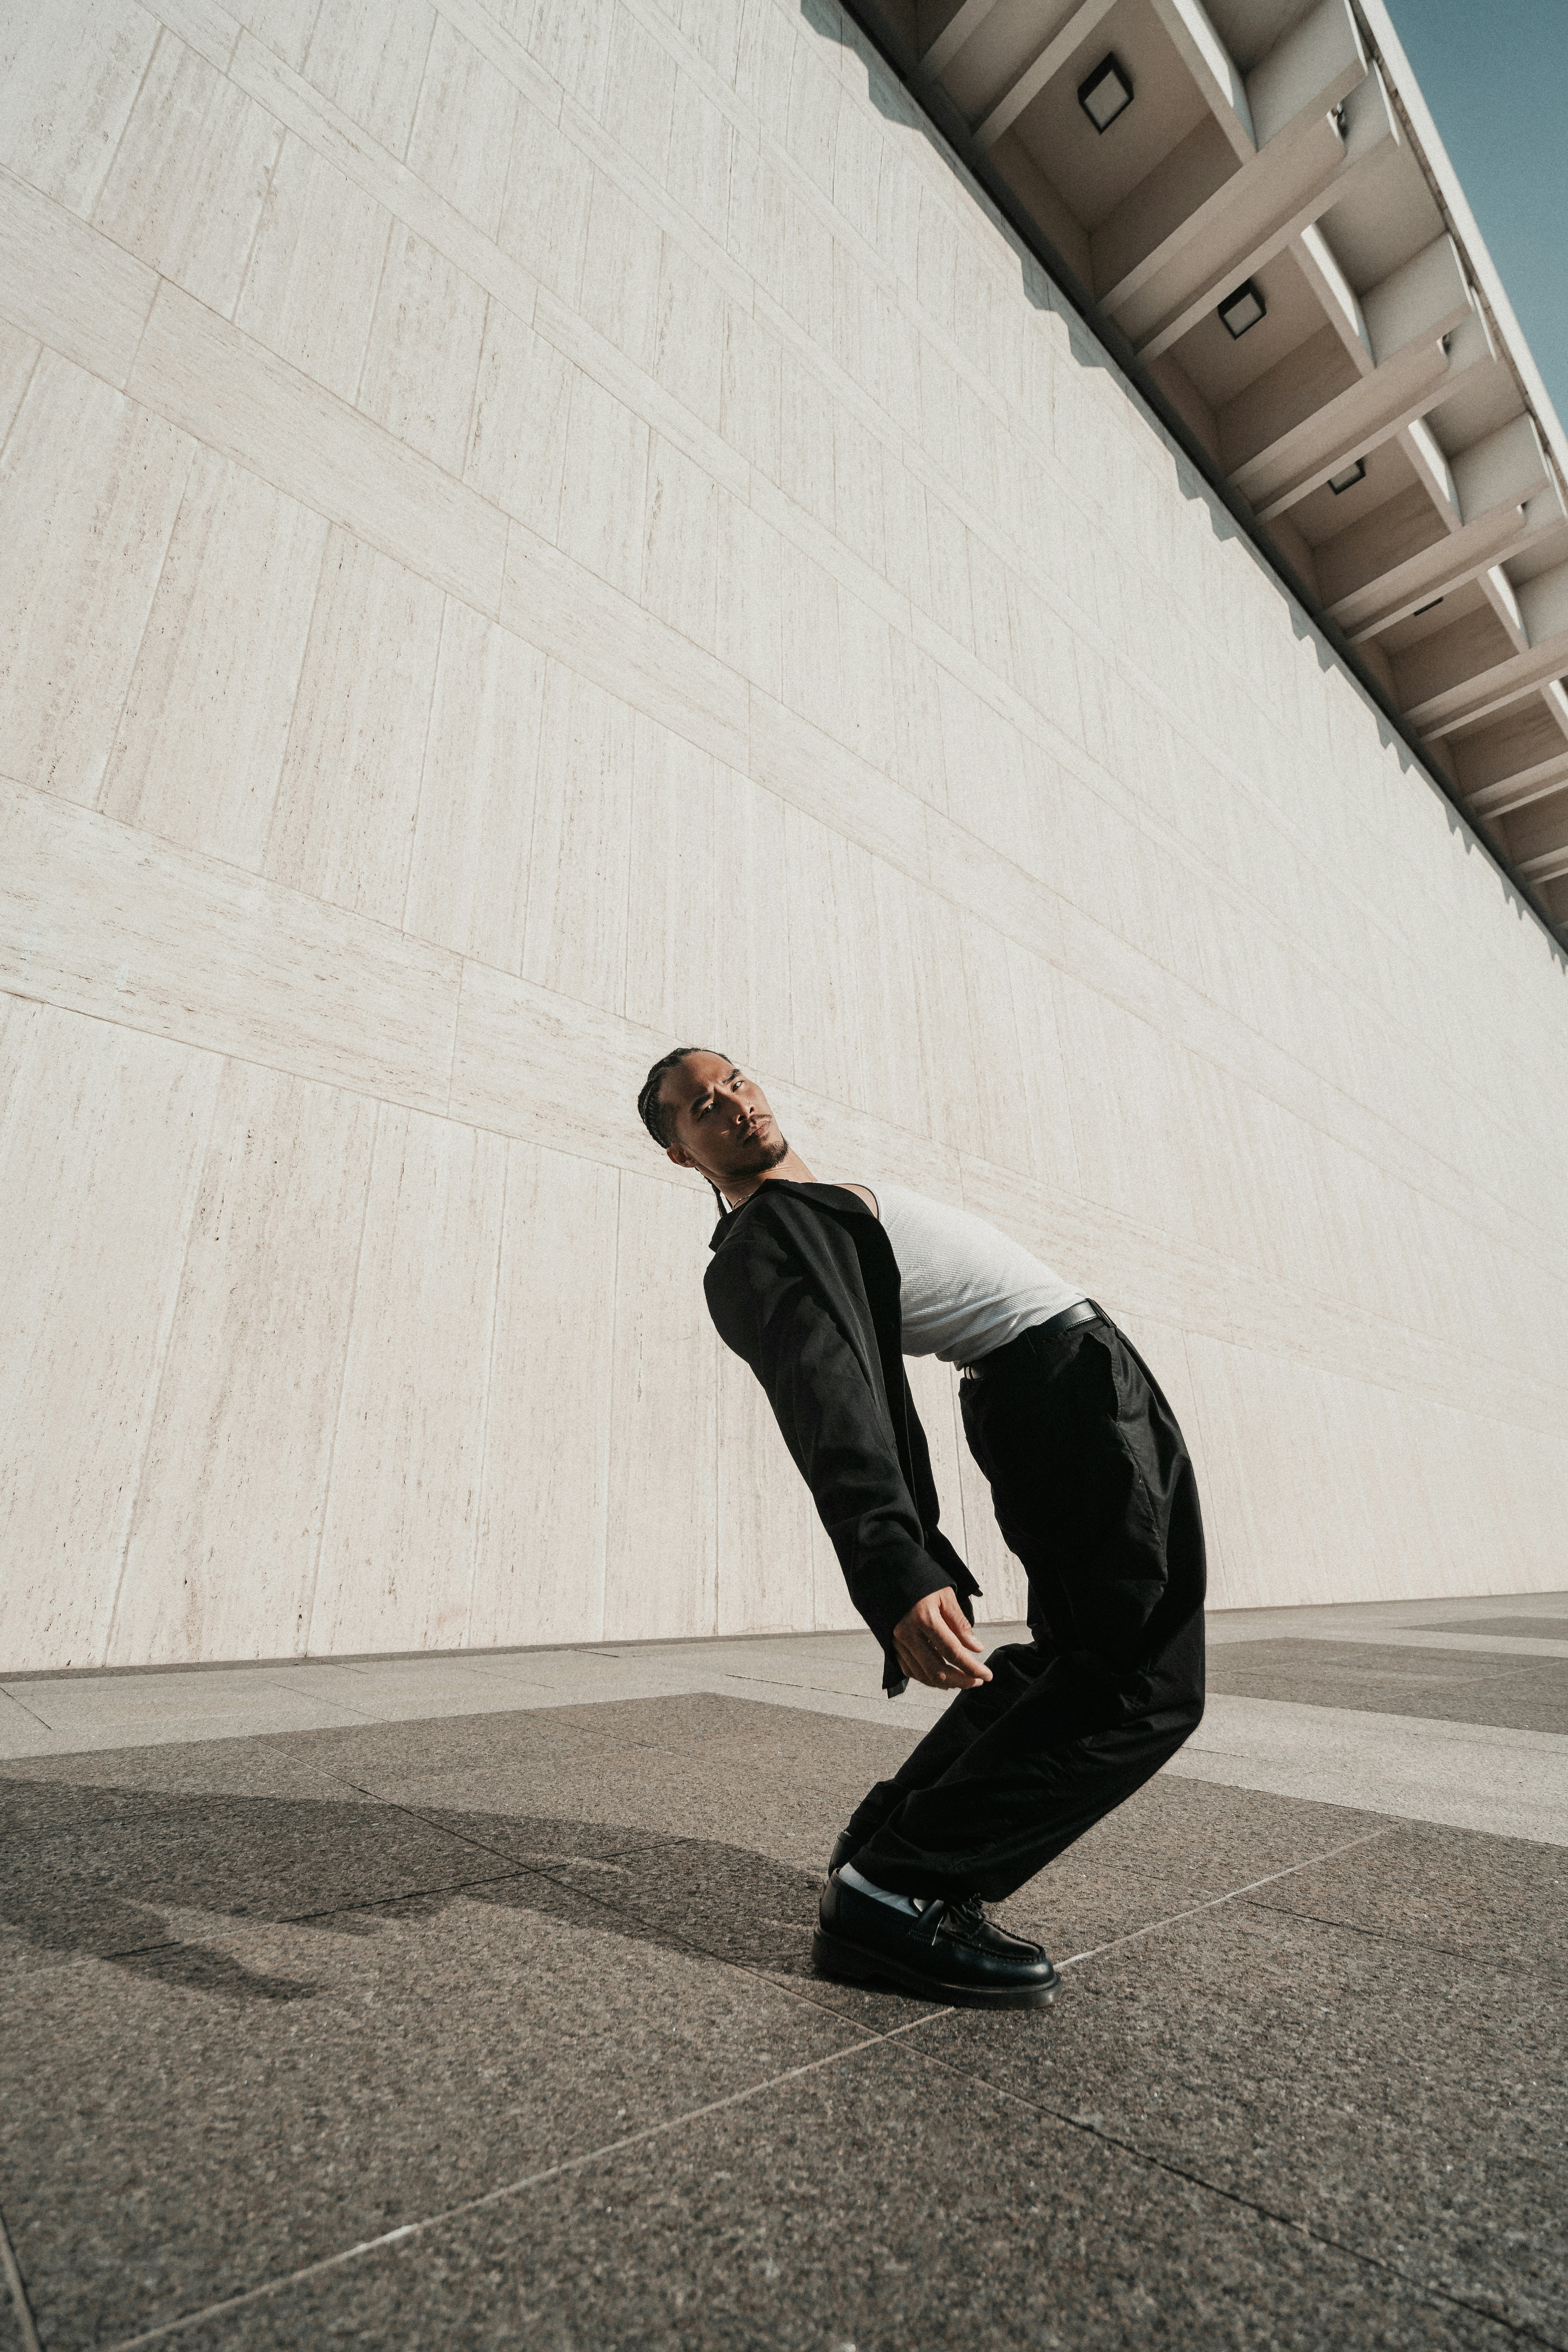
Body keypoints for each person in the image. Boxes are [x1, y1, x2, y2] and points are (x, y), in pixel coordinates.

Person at [636, 1047, 1206, 2010]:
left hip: (1052, 1395)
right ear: (681, 1155)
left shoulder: (808, 1210)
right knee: (1144, 1684)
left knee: (1077, 1659)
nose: (730, 1104)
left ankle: (889, 1846)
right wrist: (892, 1560)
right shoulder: (768, 1235)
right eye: (699, 1108)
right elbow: (828, 1400)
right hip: (1065, 1400)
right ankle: (900, 1888)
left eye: (733, 1080)